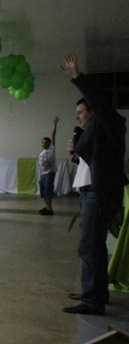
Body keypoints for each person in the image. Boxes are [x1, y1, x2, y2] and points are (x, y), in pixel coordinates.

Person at [61, 53, 128, 315]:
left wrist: (78, 77)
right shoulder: (94, 130)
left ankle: (92, 300)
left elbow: (99, 104)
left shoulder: (109, 121)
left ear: (92, 109)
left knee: (90, 246)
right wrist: (78, 153)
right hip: (91, 192)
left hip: (98, 194)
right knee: (93, 246)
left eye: (81, 111)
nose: (78, 117)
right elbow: (95, 163)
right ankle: (95, 292)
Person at [38, 116, 60, 215]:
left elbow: (53, 135)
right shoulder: (42, 153)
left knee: (48, 190)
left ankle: (50, 209)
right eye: (42, 142)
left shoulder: (51, 149)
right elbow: (41, 166)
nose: (43, 144)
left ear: (49, 143)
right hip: (44, 174)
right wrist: (40, 177)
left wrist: (55, 124)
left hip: (50, 173)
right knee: (43, 191)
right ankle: (47, 207)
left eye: (45, 142)